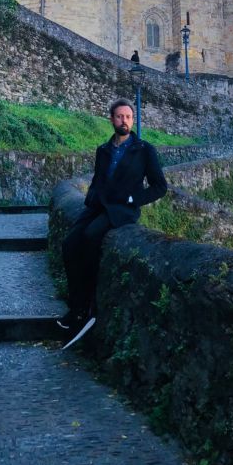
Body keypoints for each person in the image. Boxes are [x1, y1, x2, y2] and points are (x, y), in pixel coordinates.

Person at [58, 98, 168, 350]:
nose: (124, 121)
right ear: (112, 119)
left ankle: (89, 307)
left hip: (122, 210)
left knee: (90, 238)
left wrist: (133, 199)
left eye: (128, 117)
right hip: (99, 205)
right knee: (69, 244)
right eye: (119, 117)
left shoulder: (144, 149)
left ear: (133, 120)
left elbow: (160, 186)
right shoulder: (104, 149)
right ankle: (75, 307)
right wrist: (91, 197)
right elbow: (98, 178)